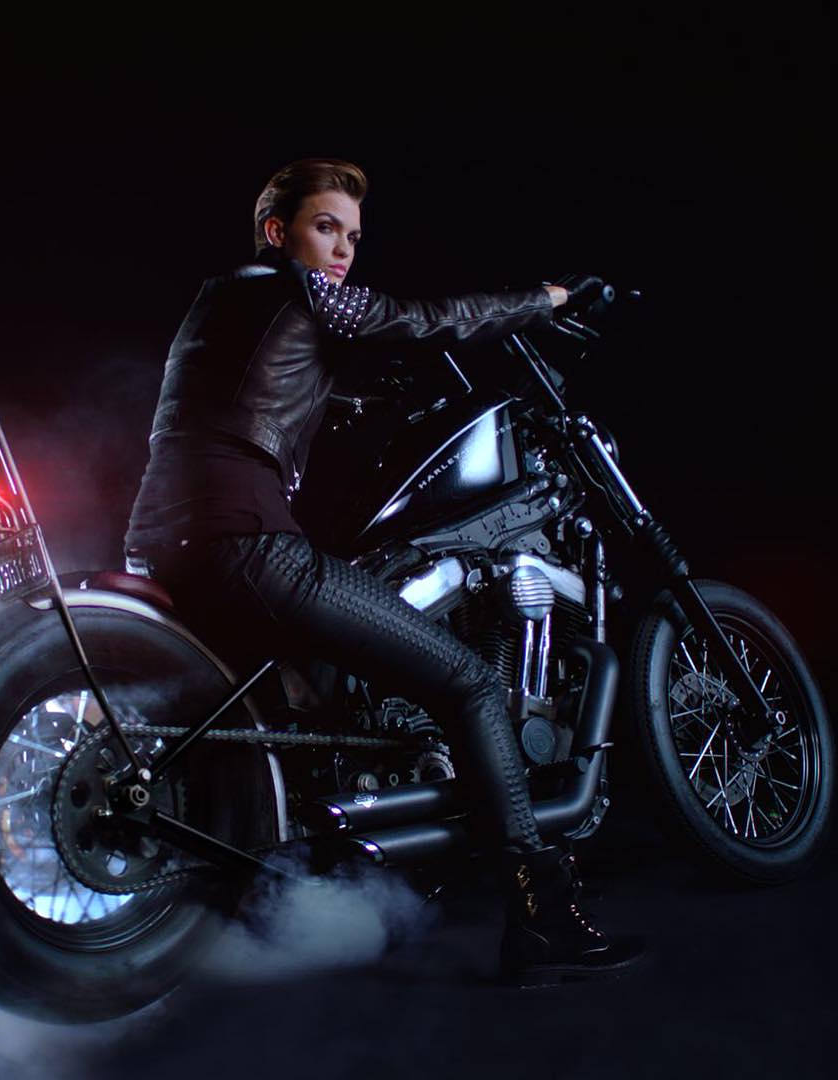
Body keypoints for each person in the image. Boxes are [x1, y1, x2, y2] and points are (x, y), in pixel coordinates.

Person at [123, 158, 643, 985]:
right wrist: (546, 300)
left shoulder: (218, 304)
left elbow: (273, 389)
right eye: (326, 227)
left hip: (161, 541)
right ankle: (541, 918)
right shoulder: (304, 292)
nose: (342, 250)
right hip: (249, 540)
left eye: (354, 237)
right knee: (470, 683)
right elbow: (425, 319)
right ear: (277, 232)